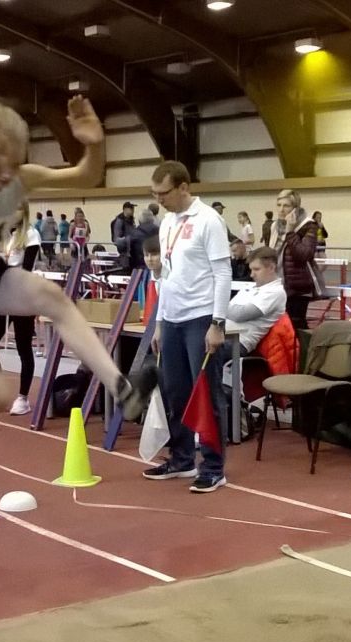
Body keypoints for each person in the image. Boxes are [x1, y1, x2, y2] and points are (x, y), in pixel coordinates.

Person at [0, 93, 155, 418]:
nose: (8, 176)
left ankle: (121, 389)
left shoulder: (22, 177)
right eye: (1, 167)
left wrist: (94, 145)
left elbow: (86, 177)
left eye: (15, 165)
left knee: (54, 298)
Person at [144, 160, 232, 493]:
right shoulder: (167, 222)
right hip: (172, 320)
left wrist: (217, 322)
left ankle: (213, 466)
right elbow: (165, 276)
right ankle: (181, 458)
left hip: (201, 318)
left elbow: (223, 273)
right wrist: (159, 322)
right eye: (154, 194)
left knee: (205, 394)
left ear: (183, 187)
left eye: (164, 193)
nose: (159, 199)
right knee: (175, 391)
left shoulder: (209, 220)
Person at [0, 204, 43, 416]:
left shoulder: (31, 235)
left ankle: (23, 398)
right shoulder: (4, 235)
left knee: (23, 346)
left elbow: (25, 269)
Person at [225, 245, 287, 356]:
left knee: (198, 346)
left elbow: (239, 315)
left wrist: (219, 306)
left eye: (257, 269)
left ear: (271, 268)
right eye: (251, 269)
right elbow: (233, 311)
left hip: (239, 343)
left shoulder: (276, 292)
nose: (252, 274)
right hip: (225, 336)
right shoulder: (252, 287)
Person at [275, 189, 319, 331]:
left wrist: (290, 232)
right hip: (278, 284)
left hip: (297, 287)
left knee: (296, 328)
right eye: (279, 205)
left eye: (286, 206)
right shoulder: (275, 226)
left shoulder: (308, 225)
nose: (281, 209)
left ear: (295, 208)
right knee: (280, 327)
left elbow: (304, 254)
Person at [128, 206, 159, 271]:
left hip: (139, 268)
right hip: (158, 267)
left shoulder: (134, 233)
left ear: (139, 221)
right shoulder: (161, 231)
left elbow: (130, 252)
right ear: (152, 219)